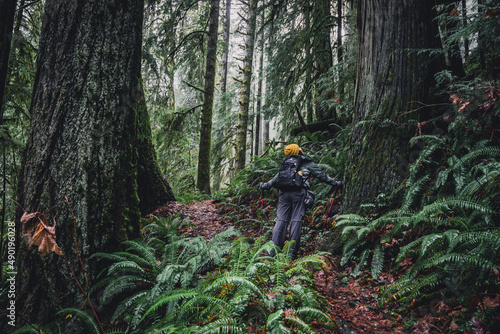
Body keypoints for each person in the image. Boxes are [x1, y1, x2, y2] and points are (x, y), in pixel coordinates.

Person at [260, 144, 343, 260]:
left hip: (283, 194)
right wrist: (336, 183)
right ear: (297, 150)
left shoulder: (286, 163)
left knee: (281, 221)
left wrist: (265, 186)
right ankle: (291, 254)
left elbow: (276, 178)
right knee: (296, 221)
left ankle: (273, 253)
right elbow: (322, 175)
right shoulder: (306, 162)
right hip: (299, 194)